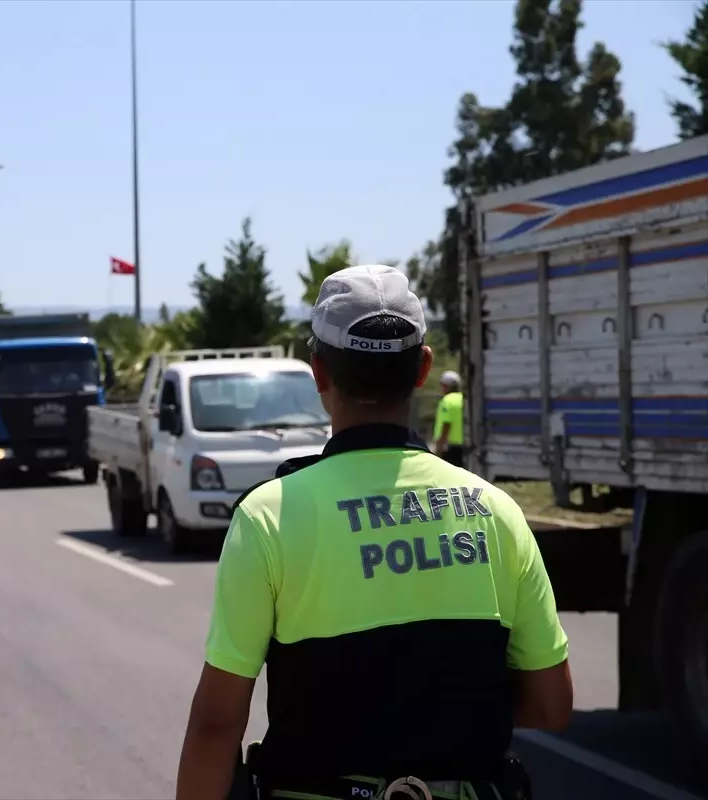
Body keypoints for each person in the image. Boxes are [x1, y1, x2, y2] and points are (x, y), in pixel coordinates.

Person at [176, 265, 572, 800]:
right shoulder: (496, 512)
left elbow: (217, 723)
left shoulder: (268, 516)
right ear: (423, 369)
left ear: (319, 373)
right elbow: (551, 705)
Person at [432, 370, 465, 467]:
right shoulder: (463, 399)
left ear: (447, 386)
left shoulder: (447, 401)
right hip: (464, 446)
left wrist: (438, 450)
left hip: (449, 448)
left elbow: (446, 426)